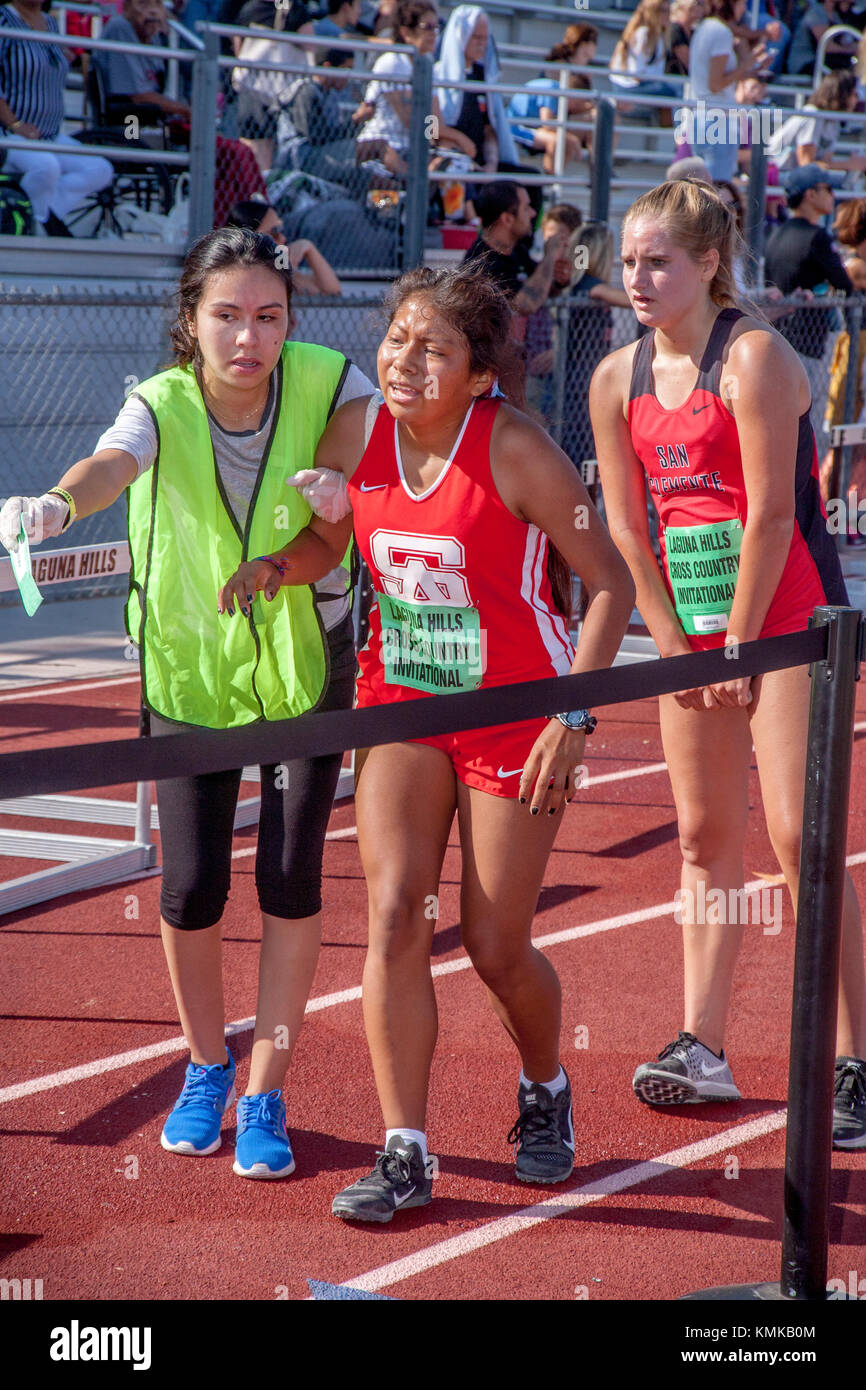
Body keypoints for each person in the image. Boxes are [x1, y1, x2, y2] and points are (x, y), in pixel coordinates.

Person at [220, 264, 634, 1219]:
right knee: (396, 912)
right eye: (398, 339)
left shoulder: (517, 449)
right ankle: (404, 1147)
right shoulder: (361, 432)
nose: (404, 362)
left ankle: (543, 1088)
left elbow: (608, 583)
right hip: (402, 706)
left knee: (493, 942)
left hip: (517, 715)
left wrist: (573, 716)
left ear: (477, 375)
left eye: (433, 350)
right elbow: (339, 538)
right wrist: (282, 565)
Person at [0, 226, 377, 1179]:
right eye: (226, 316)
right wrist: (53, 505)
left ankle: (266, 1089)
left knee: (290, 878)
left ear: (290, 320)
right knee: (190, 884)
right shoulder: (156, 402)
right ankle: (206, 1067)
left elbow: (356, 435)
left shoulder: (332, 377)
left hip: (304, 660)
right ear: (190, 320)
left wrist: (339, 483)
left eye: (268, 317)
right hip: (191, 668)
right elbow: (111, 464)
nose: (248, 338)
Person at [589, 178, 866, 1149]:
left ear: (708, 263)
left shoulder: (751, 359)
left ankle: (849, 1056)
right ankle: (701, 1043)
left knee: (799, 838)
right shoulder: (613, 376)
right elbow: (626, 522)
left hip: (788, 622)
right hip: (690, 632)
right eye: (626, 260)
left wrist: (742, 644)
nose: (636, 277)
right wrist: (669, 639)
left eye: (656, 260)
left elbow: (769, 514)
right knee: (706, 837)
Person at [98, 0, 267, 222]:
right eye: (142, 3)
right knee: (227, 151)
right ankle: (239, 217)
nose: (151, 10)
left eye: (157, 4)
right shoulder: (120, 28)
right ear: (126, 7)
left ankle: (245, 212)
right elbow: (138, 96)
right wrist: (185, 111)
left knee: (235, 151)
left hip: (154, 120)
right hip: (130, 124)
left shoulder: (154, 36)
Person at [0, 0, 113, 235]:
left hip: (49, 133)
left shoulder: (50, 22)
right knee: (46, 166)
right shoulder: (3, 19)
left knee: (99, 169)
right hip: (11, 134)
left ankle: (40, 218)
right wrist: (14, 123)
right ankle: (35, 227)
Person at [764, 163, 852, 437]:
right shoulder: (817, 236)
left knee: (779, 420)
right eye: (826, 189)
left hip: (777, 339)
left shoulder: (779, 233)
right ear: (810, 195)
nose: (832, 196)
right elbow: (846, 286)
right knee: (799, 425)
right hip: (804, 341)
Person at [354, 1, 474, 177]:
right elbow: (411, 120)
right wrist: (459, 138)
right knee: (451, 160)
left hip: (413, 149)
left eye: (437, 27)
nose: (434, 34)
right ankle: (425, 181)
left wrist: (443, 141)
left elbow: (433, 124)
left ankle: (431, 181)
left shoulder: (426, 67)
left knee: (460, 163)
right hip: (387, 148)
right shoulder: (392, 62)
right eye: (428, 27)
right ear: (406, 32)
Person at [559, 222, 633, 473]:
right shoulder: (590, 287)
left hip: (583, 379)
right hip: (580, 381)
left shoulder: (581, 287)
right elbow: (626, 300)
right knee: (582, 456)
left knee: (584, 454)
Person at [462, 181, 570, 339]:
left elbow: (538, 287)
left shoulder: (516, 250)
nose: (533, 213)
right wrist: (549, 257)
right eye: (526, 208)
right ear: (507, 219)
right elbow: (526, 304)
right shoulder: (482, 262)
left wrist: (559, 280)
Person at [686, 0, 768, 180]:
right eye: (741, 3)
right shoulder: (720, 32)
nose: (744, 8)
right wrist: (746, 64)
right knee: (716, 191)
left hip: (702, 118)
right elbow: (715, 84)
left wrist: (752, 69)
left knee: (703, 192)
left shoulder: (705, 27)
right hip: (717, 121)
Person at [507, 27, 598, 173]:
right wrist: (571, 138)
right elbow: (547, 123)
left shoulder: (560, 92)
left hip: (531, 126)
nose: (573, 108)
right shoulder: (553, 89)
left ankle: (556, 183)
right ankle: (550, 182)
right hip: (515, 127)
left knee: (564, 140)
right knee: (557, 140)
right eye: (577, 103)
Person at [224, 197, 342, 293]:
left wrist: (309, 248)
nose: (283, 238)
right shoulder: (228, 277)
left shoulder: (279, 269)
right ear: (248, 239)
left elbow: (332, 290)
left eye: (281, 229)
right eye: (274, 231)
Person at [765, 71, 866, 176]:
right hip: (774, 173)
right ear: (841, 95)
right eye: (854, 95)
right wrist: (849, 165)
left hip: (794, 175)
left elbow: (825, 163)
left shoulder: (834, 123)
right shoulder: (812, 115)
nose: (856, 100)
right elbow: (806, 165)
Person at [610, 0, 680, 112]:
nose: (668, 15)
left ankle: (681, 126)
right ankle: (681, 128)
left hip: (643, 83)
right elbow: (636, 74)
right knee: (677, 89)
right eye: (663, 11)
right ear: (652, 12)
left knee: (679, 86)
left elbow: (658, 72)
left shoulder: (660, 36)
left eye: (669, 11)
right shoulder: (642, 34)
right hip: (626, 87)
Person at [786, 0, 859, 75]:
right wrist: (849, 49)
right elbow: (827, 47)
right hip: (804, 63)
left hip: (823, 61)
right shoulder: (816, 13)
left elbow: (844, 41)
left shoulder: (835, 15)